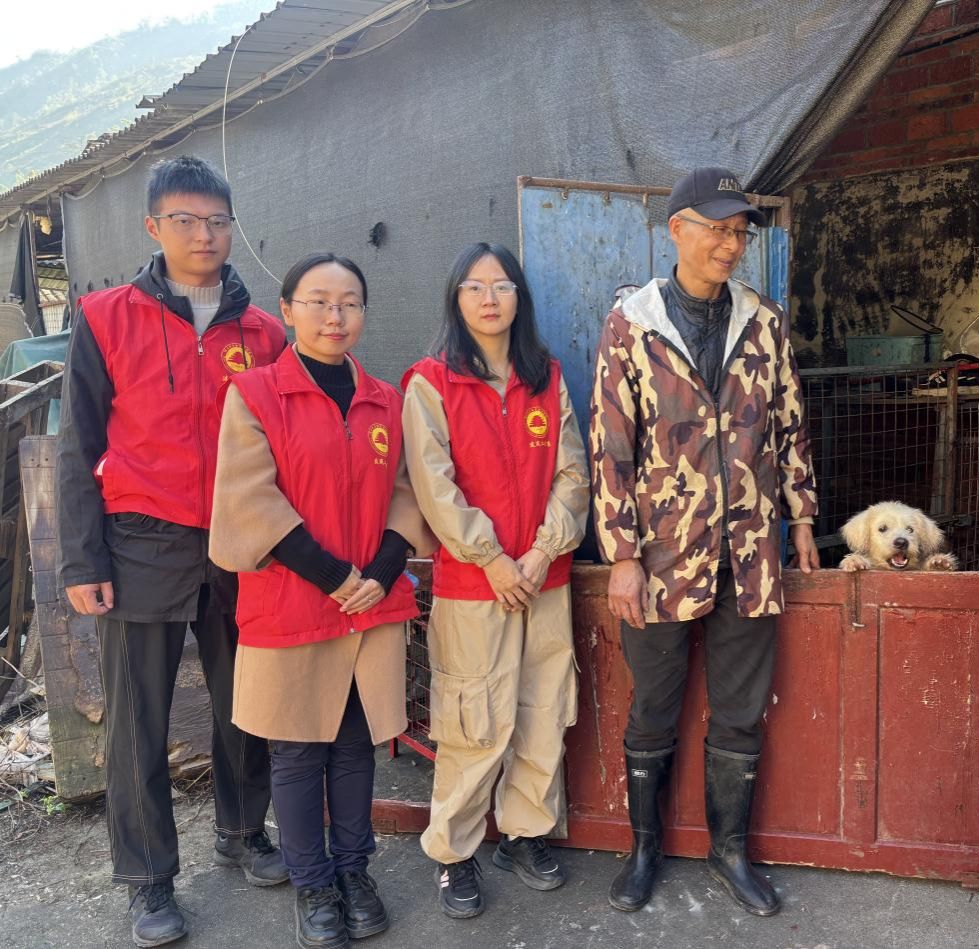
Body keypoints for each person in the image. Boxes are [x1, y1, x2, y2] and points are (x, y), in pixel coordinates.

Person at [56, 156, 289, 947]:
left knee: (245, 703)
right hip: (141, 543)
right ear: (153, 226)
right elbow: (78, 443)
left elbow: (286, 445)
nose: (204, 235)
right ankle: (148, 874)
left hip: (239, 545)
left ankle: (243, 830)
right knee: (137, 720)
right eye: (185, 220)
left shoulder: (263, 333)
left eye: (217, 221)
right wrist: (82, 560)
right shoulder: (105, 317)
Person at [590, 167, 820, 917]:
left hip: (750, 551)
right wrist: (622, 555)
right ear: (677, 230)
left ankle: (730, 852)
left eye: (739, 232)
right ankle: (644, 850)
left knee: (741, 708)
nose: (730, 245)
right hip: (662, 554)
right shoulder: (633, 323)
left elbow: (789, 424)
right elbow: (610, 445)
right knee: (654, 704)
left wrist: (802, 516)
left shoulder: (764, 320)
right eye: (717, 229)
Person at [209, 253, 435, 948]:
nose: (335, 316)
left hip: (369, 602)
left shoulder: (385, 399)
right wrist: (336, 575)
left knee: (357, 745)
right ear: (287, 310)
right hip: (293, 601)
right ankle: (312, 884)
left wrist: (384, 569)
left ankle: (354, 871)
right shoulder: (255, 394)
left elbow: (406, 491)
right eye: (318, 301)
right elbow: (251, 500)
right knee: (299, 750)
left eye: (349, 302)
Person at [401, 242, 589, 919]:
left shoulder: (547, 377)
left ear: (519, 298)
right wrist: (492, 558)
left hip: (545, 580)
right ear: (455, 299)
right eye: (475, 287)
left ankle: (526, 833)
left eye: (502, 285)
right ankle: (454, 853)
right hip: (474, 584)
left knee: (543, 710)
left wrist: (541, 553)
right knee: (472, 721)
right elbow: (434, 487)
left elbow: (574, 473)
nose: (489, 298)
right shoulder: (430, 383)